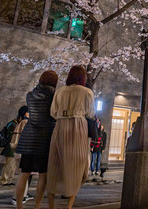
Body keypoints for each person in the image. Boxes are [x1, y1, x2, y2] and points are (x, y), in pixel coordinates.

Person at [46, 65, 95, 209]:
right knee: (77, 164)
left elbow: (53, 112)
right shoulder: (87, 92)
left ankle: (51, 206)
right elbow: (90, 113)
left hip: (60, 125)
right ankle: (69, 206)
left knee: (55, 163)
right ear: (82, 78)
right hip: (78, 126)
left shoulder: (60, 91)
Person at [14, 70, 58, 209]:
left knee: (24, 174)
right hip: (45, 139)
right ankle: (37, 206)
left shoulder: (30, 96)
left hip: (29, 138)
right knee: (43, 176)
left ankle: (19, 206)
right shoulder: (54, 96)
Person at [0, 106, 29, 186]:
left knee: (12, 166)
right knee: (9, 165)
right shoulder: (14, 124)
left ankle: (8, 180)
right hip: (10, 147)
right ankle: (4, 180)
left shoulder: (18, 123)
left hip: (13, 147)